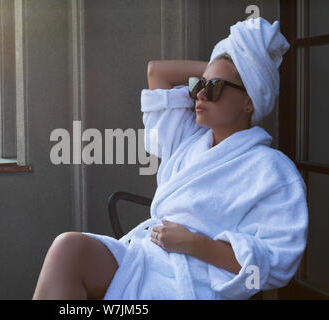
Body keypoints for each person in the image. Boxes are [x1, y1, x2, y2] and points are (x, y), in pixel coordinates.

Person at [32, 17, 308, 300]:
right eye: (198, 85)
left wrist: (194, 244)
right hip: (147, 257)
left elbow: (273, 266)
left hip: (193, 281)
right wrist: (224, 65)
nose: (199, 94)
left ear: (249, 102)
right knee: (68, 248)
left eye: (213, 88)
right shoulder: (187, 139)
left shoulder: (272, 170)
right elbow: (157, 72)